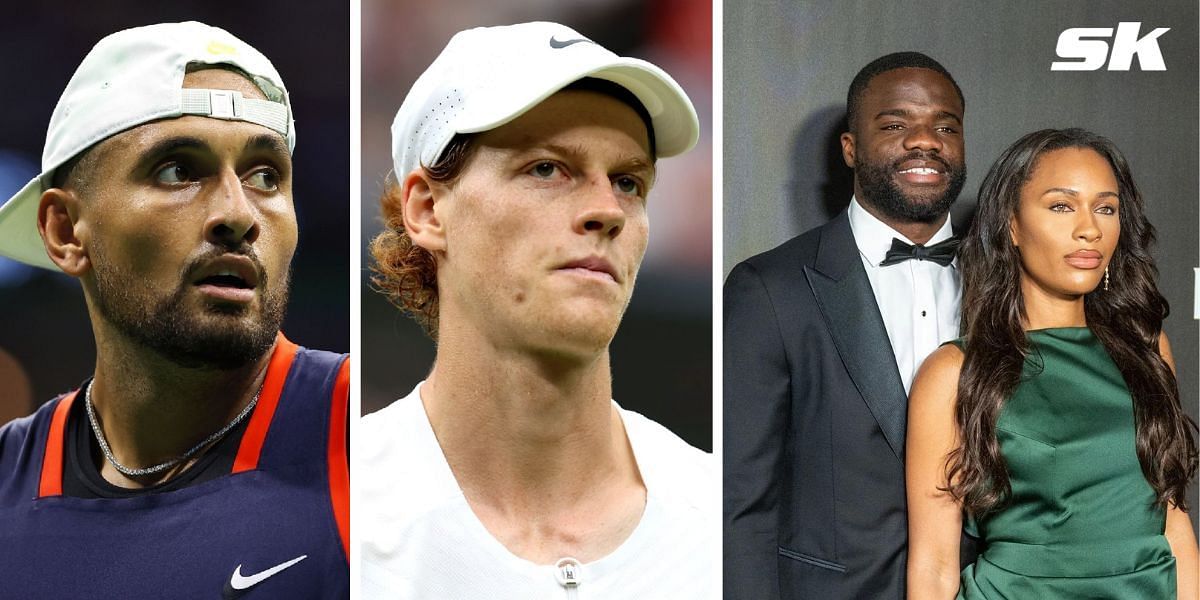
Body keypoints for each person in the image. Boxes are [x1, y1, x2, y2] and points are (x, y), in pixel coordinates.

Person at [360, 21, 713, 598]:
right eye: (546, 168)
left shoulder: (720, 519)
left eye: (628, 181)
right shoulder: (338, 516)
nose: (608, 210)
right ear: (426, 209)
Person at [0, 22, 349, 598]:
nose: (239, 214)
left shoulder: (382, 450)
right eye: (178, 171)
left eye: (266, 175)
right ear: (64, 230)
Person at [906, 128, 1199, 599]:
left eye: (1106, 208)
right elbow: (935, 563)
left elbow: (1174, 527)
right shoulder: (954, 372)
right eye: (1062, 206)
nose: (1090, 229)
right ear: (1011, 225)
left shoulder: (1147, 349)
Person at [724, 52, 970, 599]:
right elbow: (741, 502)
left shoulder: (1007, 287)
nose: (924, 141)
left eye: (945, 126)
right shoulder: (770, 289)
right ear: (850, 149)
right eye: (895, 125)